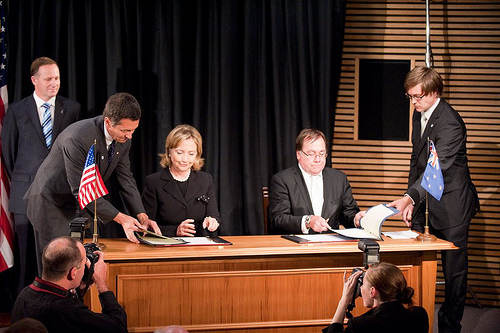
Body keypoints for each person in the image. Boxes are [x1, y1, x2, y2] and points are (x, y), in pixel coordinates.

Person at [25, 92, 160, 273]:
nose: (130, 136)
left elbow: (126, 179)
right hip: (52, 204)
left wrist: (142, 215)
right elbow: (81, 190)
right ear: (108, 122)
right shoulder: (77, 138)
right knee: (59, 271)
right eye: (125, 131)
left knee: (86, 267)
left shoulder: (123, 140)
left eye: (133, 130)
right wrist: (122, 219)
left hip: (83, 208)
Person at [388, 66, 479, 333]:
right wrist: (412, 201)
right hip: (425, 203)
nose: (414, 102)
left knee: (454, 276)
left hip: (453, 207)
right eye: (410, 97)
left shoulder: (450, 122)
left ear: (434, 92)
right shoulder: (420, 115)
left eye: (418, 97)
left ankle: (449, 329)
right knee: (413, 269)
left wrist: (407, 198)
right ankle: (413, 326)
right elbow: (417, 162)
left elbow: (436, 169)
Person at [1, 57, 81, 294]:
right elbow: (8, 154)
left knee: (59, 256)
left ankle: (58, 305)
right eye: (48, 79)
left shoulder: (72, 109)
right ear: (34, 80)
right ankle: (27, 307)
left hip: (60, 197)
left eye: (56, 78)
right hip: (24, 196)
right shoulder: (16, 110)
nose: (54, 83)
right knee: (27, 258)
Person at [10, 236, 127, 333]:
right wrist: (102, 283)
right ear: (73, 272)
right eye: (84, 261)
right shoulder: (66, 311)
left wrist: (78, 292)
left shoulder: (24, 294)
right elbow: (118, 327)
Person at [269, 128, 363, 234]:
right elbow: (278, 219)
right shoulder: (282, 180)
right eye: (312, 153)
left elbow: (348, 214)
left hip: (331, 245)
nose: (318, 159)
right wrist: (307, 221)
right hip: (296, 245)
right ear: (298, 154)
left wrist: (356, 219)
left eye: (322, 153)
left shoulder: (338, 179)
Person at [142, 124, 221, 237]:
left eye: (191, 154)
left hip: (199, 247)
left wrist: (213, 221)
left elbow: (215, 215)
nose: (185, 159)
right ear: (169, 152)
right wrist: (175, 231)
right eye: (179, 152)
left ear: (197, 155)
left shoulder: (205, 180)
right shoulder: (154, 182)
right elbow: (146, 227)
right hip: (166, 248)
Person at [323, 262, 429, 333]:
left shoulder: (361, 325)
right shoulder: (419, 315)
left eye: (363, 284)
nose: (361, 289)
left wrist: (344, 300)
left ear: (372, 292)